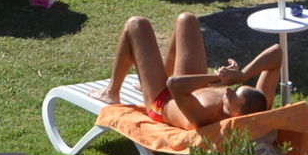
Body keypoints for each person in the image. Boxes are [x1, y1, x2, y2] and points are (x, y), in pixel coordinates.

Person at [104, 12, 283, 128]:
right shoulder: (259, 107)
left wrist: (218, 77)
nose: (229, 90)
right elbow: (277, 53)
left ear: (235, 114)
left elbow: (173, 84)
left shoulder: (205, 115)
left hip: (162, 101)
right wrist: (242, 76)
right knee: (187, 19)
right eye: (235, 89)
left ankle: (112, 92)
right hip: (191, 88)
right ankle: (154, 75)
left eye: (233, 96)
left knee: (136, 25)